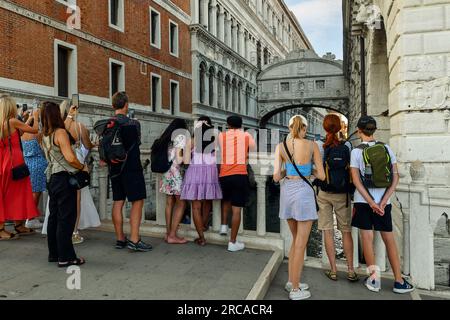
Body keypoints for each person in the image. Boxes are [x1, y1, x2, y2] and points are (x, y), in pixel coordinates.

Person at [350, 116, 414, 294]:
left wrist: (370, 202)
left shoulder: (356, 152)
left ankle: (374, 280)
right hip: (383, 203)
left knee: (367, 240)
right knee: (389, 240)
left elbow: (356, 180)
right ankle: (399, 281)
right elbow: (395, 177)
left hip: (363, 202)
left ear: (359, 130)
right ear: (374, 130)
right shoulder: (386, 148)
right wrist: (383, 201)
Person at [273, 115, 325, 300]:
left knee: (296, 241)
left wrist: (291, 170)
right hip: (303, 194)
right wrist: (308, 170)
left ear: (289, 128)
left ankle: (291, 281)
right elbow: (322, 176)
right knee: (301, 243)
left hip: (287, 192)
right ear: (304, 127)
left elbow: (276, 177)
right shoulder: (313, 145)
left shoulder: (281, 147)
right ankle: (295, 289)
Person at [40, 101, 87, 267]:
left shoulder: (45, 134)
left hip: (52, 179)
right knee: (66, 219)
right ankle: (66, 257)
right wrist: (83, 167)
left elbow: (61, 134)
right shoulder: (59, 132)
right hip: (64, 179)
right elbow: (70, 157)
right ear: (55, 115)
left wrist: (69, 115)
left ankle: (54, 253)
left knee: (54, 218)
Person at [106, 92, 152, 252]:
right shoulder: (133, 124)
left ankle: (120, 238)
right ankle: (134, 239)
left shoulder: (107, 124)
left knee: (118, 201)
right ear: (126, 105)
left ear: (113, 106)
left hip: (114, 168)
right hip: (131, 167)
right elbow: (136, 142)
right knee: (137, 201)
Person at [315, 114, 358, 282]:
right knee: (346, 231)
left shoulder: (319, 145)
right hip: (343, 194)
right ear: (340, 127)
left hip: (324, 193)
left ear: (325, 128)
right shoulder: (347, 145)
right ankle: (350, 270)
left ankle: (333, 270)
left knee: (328, 231)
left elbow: (318, 170)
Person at [0, 94, 40, 240]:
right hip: (14, 161)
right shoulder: (12, 121)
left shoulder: (4, 123)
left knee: (8, 194)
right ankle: (11, 227)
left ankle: (16, 225)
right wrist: (35, 116)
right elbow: (34, 130)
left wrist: (27, 119)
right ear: (10, 107)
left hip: (4, 161)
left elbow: (19, 132)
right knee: (18, 193)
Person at [60, 99, 100, 244]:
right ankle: (74, 232)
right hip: (75, 162)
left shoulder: (59, 127)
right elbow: (88, 144)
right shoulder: (79, 126)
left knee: (62, 198)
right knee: (76, 199)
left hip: (62, 161)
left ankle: (63, 230)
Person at [181, 116, 222, 246]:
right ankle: (203, 225)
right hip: (210, 173)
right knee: (208, 199)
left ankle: (202, 238)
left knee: (196, 207)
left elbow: (186, 162)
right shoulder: (215, 140)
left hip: (195, 173)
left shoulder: (191, 141)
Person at [218, 116, 256, 252]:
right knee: (237, 209)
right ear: (241, 125)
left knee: (226, 200)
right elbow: (253, 148)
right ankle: (232, 242)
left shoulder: (221, 136)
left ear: (228, 124)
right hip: (239, 175)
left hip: (224, 174)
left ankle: (223, 225)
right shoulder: (246, 135)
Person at [152, 118, 189, 244]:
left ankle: (168, 234)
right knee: (181, 203)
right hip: (176, 173)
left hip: (166, 173)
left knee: (169, 202)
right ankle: (173, 235)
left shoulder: (166, 138)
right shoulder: (181, 137)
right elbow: (179, 160)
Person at [21, 107, 48, 230]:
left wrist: (31, 117)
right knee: (36, 193)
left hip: (26, 163)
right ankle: (31, 218)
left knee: (29, 192)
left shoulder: (22, 134)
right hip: (37, 163)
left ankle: (30, 216)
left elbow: (22, 127)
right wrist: (36, 118)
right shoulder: (37, 134)